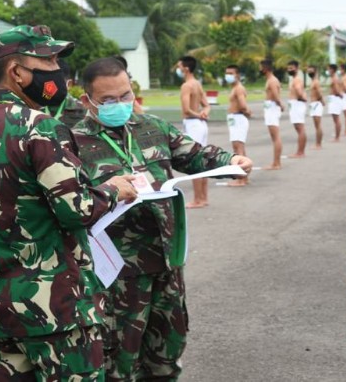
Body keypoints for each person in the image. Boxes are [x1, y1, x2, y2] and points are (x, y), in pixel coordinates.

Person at [0, 25, 138, 381]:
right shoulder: (42, 128)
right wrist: (113, 190)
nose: (58, 71)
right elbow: (76, 210)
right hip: (56, 310)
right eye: (48, 60)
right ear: (17, 72)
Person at [72, 57, 253, 381]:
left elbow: (195, 154)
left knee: (167, 352)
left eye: (125, 96)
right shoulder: (72, 143)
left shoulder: (152, 128)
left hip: (167, 263)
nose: (120, 105)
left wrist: (231, 160)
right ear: (87, 101)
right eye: (108, 100)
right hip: (117, 275)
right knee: (119, 360)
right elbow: (69, 203)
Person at [177, 55, 212, 206]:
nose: (178, 70)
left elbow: (186, 109)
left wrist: (199, 114)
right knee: (202, 160)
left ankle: (198, 199)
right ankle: (203, 198)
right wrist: (204, 113)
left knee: (194, 161)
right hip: (200, 124)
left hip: (193, 124)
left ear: (185, 69)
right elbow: (207, 104)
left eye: (179, 67)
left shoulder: (187, 86)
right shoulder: (197, 83)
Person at [225, 65, 251, 186]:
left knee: (239, 148)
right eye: (227, 73)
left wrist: (247, 112)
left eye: (231, 73)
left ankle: (242, 179)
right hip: (234, 119)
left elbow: (243, 105)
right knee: (237, 147)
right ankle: (243, 177)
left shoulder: (239, 88)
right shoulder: (234, 88)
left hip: (238, 118)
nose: (228, 75)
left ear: (237, 75)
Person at [46, 59, 87, 128]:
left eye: (57, 82)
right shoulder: (31, 107)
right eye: (48, 82)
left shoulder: (82, 110)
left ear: (69, 84)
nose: (52, 86)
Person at [260, 59, 285, 169]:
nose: (260, 69)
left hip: (272, 108)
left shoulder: (272, 81)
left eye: (261, 67)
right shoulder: (270, 80)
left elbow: (275, 95)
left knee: (276, 136)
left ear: (266, 68)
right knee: (274, 136)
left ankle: (277, 163)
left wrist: (280, 105)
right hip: (270, 108)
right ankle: (275, 162)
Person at [286, 60, 308, 157]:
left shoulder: (297, 80)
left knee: (300, 128)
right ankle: (300, 151)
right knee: (298, 128)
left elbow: (299, 91)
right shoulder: (294, 79)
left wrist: (302, 98)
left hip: (297, 104)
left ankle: (300, 152)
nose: (289, 70)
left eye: (291, 68)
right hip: (295, 104)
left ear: (297, 68)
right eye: (288, 68)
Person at [307, 65, 326, 149]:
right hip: (313, 104)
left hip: (316, 104)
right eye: (308, 71)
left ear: (315, 71)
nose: (309, 72)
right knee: (316, 125)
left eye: (311, 71)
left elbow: (319, 92)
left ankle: (318, 144)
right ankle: (317, 143)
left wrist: (322, 101)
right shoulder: (313, 81)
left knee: (318, 125)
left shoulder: (316, 82)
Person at [326, 64, 344, 141]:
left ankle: (337, 137)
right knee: (335, 119)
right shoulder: (333, 78)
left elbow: (336, 89)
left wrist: (339, 95)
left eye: (329, 69)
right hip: (333, 98)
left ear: (333, 70)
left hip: (335, 99)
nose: (328, 71)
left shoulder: (334, 78)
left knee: (336, 119)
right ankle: (337, 136)